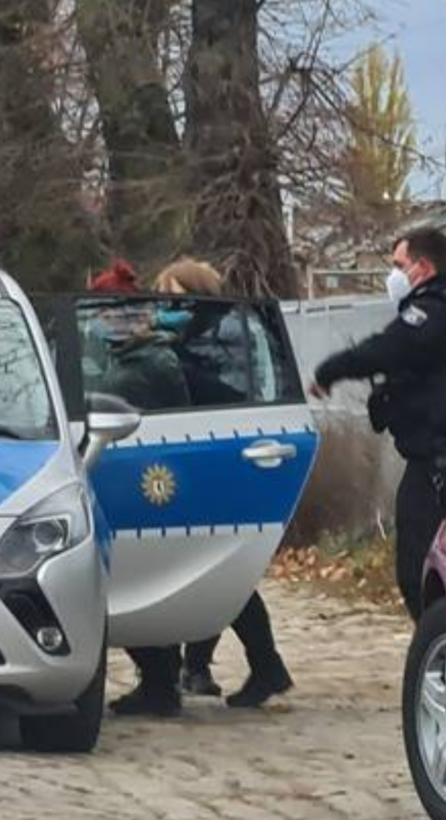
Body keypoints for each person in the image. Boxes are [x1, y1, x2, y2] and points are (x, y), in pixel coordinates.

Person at [99, 256, 295, 716]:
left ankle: (183, 677)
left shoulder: (205, 340)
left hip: (208, 454)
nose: (160, 303)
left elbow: (209, 393)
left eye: (167, 293)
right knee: (217, 571)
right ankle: (219, 669)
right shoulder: (197, 335)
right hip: (212, 453)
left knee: (208, 571)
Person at [310, 229, 446, 621]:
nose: (393, 275)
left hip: (441, 470)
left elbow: (387, 348)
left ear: (423, 267)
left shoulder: (437, 310)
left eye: (398, 265)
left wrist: (330, 371)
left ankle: (444, 657)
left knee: (421, 573)